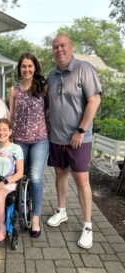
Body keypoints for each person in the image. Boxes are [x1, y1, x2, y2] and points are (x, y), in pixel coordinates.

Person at [46, 34, 102, 249]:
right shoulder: (52, 76)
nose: (58, 49)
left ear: (71, 47)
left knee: (82, 181)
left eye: (62, 45)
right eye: (55, 47)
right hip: (57, 138)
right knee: (60, 174)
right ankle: (61, 211)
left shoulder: (84, 69)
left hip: (79, 139)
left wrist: (80, 130)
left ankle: (87, 226)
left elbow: (94, 100)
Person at [9, 52, 49, 238]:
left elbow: (50, 111)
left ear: (35, 68)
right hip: (19, 141)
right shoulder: (14, 90)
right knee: (18, 177)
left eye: (30, 66)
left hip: (40, 140)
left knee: (35, 178)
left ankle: (35, 218)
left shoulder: (42, 87)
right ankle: (18, 208)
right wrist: (8, 137)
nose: (26, 69)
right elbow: (11, 115)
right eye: (23, 66)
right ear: (19, 69)